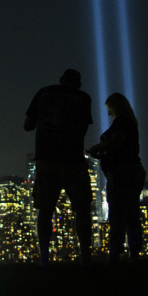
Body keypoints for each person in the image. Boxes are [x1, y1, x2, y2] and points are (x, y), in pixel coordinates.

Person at [24, 68, 94, 266]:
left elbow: (27, 125)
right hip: (73, 160)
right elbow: (82, 131)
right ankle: (85, 256)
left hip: (47, 159)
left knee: (45, 210)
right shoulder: (83, 98)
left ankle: (44, 258)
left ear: (61, 79)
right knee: (82, 210)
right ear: (78, 84)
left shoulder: (44, 93)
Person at [88, 92, 146, 262]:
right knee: (131, 213)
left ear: (115, 106)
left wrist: (97, 147)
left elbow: (117, 143)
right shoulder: (130, 123)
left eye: (109, 109)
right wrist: (102, 153)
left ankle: (116, 251)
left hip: (122, 172)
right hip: (132, 170)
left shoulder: (121, 122)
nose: (108, 113)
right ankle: (134, 251)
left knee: (117, 213)